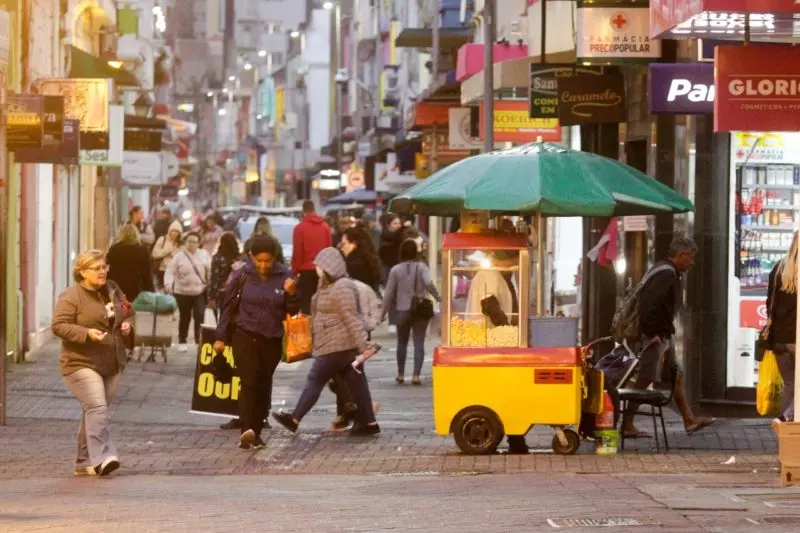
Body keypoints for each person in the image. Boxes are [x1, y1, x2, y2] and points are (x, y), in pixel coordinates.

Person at [272, 247, 380, 436]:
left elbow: (351, 318)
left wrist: (363, 347)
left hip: (336, 345)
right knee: (357, 382)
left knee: (315, 379)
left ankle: (295, 419)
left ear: (329, 266)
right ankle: (370, 423)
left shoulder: (342, 286)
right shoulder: (327, 284)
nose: (317, 269)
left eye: (320, 266)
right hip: (340, 345)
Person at [622, 236, 715, 439]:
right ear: (680, 255)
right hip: (656, 337)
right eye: (690, 258)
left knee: (676, 376)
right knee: (645, 378)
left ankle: (689, 420)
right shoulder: (666, 274)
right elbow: (649, 306)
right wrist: (652, 334)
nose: (692, 263)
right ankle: (627, 424)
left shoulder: (664, 270)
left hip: (663, 334)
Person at [51, 250, 133, 477]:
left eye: (104, 266)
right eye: (96, 268)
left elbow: (125, 312)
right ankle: (103, 456)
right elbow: (58, 326)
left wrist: (126, 325)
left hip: (112, 361)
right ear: (82, 272)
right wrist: (87, 333)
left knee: (93, 411)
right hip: (80, 363)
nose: (102, 271)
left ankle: (82, 460)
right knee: (97, 407)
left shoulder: (112, 290)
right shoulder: (71, 296)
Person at [214, 236, 298, 448]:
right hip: (244, 335)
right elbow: (228, 306)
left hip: (272, 339)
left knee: (263, 384)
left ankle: (256, 431)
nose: (263, 265)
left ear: (274, 258)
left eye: (267, 261)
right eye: (258, 260)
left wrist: (292, 294)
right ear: (251, 257)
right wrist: (220, 337)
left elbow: (293, 312)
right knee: (248, 382)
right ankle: (247, 430)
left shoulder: (285, 276)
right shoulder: (241, 275)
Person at [382, 239, 441, 385]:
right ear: (416, 252)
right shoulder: (422, 267)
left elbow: (388, 293)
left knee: (401, 343)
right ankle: (416, 375)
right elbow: (428, 283)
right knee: (419, 343)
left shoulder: (395, 270)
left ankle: (401, 374)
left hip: (402, 311)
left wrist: (382, 313)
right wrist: (438, 297)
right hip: (420, 311)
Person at [767, 231, 798, 429]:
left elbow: (769, 301)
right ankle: (786, 418)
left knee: (789, 383)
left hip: (778, 336)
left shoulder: (779, 267)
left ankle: (784, 432)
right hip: (796, 336)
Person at [165, 231, 211, 352]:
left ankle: (198, 341)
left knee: (199, 315)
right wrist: (168, 284)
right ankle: (182, 341)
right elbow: (170, 270)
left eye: (194, 242)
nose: (191, 244)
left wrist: (210, 282)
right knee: (185, 317)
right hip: (182, 292)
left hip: (199, 291)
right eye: (189, 241)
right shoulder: (179, 256)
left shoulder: (204, 254)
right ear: (185, 242)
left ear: (198, 243)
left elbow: (210, 269)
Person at [292, 200, 332, 315]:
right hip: (322, 271)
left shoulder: (299, 228)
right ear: (314, 210)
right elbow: (329, 250)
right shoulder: (325, 227)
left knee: (306, 305)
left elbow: (297, 252)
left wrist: (295, 271)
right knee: (321, 305)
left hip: (305, 272)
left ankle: (309, 331)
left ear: (303, 211)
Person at [106, 224, 154, 304]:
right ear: (136, 234)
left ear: (122, 235)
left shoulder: (115, 249)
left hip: (118, 287)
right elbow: (147, 273)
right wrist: (150, 290)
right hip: (137, 288)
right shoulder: (142, 250)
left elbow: (109, 265)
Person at [379, 214, 404, 332]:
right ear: (388, 225)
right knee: (391, 296)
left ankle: (402, 320)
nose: (398, 226)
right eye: (395, 223)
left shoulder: (404, 236)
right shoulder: (384, 237)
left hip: (403, 269)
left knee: (402, 295)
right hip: (389, 268)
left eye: (399, 223)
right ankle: (393, 321)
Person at [208, 231, 242, 317]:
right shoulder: (239, 257)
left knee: (221, 318)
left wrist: (212, 297)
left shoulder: (217, 258)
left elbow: (214, 278)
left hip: (221, 293)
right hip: (236, 292)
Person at [341, 226, 382, 291]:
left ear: (354, 244)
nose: (342, 248)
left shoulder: (354, 265)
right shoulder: (371, 259)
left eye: (344, 244)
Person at [151, 220, 182, 290]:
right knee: (162, 291)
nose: (174, 233)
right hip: (162, 270)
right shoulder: (162, 239)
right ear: (169, 231)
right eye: (173, 230)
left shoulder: (181, 243)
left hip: (176, 272)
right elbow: (154, 253)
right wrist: (168, 250)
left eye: (177, 231)